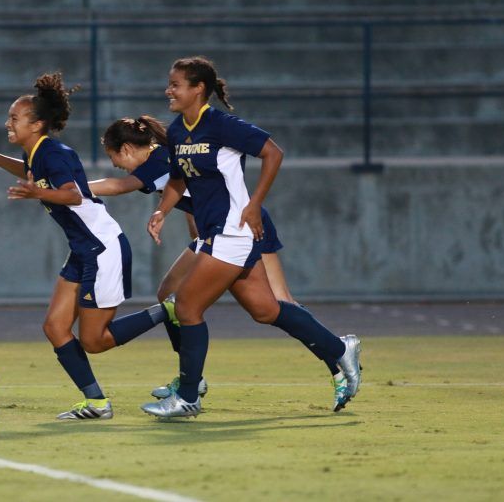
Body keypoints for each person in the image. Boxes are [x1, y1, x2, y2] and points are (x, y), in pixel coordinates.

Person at [141, 56, 361, 418]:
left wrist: (256, 203)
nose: (169, 90)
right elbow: (180, 179)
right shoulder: (178, 130)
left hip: (234, 229)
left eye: (176, 84)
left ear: (198, 89)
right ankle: (339, 348)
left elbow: (273, 152)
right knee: (266, 309)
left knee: (187, 306)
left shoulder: (221, 124)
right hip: (216, 231)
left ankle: (188, 396)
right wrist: (163, 210)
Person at [0, 72, 177, 420]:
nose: (8, 123)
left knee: (95, 341)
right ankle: (96, 403)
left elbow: (73, 196)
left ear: (37, 124)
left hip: (101, 249)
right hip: (82, 250)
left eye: (14, 118)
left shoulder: (55, 153)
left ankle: (167, 311)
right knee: (54, 328)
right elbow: (30, 171)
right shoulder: (38, 153)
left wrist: (38, 192)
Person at [90, 115, 316, 404]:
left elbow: (118, 186)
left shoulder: (158, 159)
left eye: (114, 157)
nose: (116, 164)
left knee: (279, 303)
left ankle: (333, 354)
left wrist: (70, 189)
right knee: (170, 295)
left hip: (242, 226)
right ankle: (190, 380)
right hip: (214, 230)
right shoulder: (163, 158)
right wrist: (199, 239)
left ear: (125, 149)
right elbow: (192, 196)